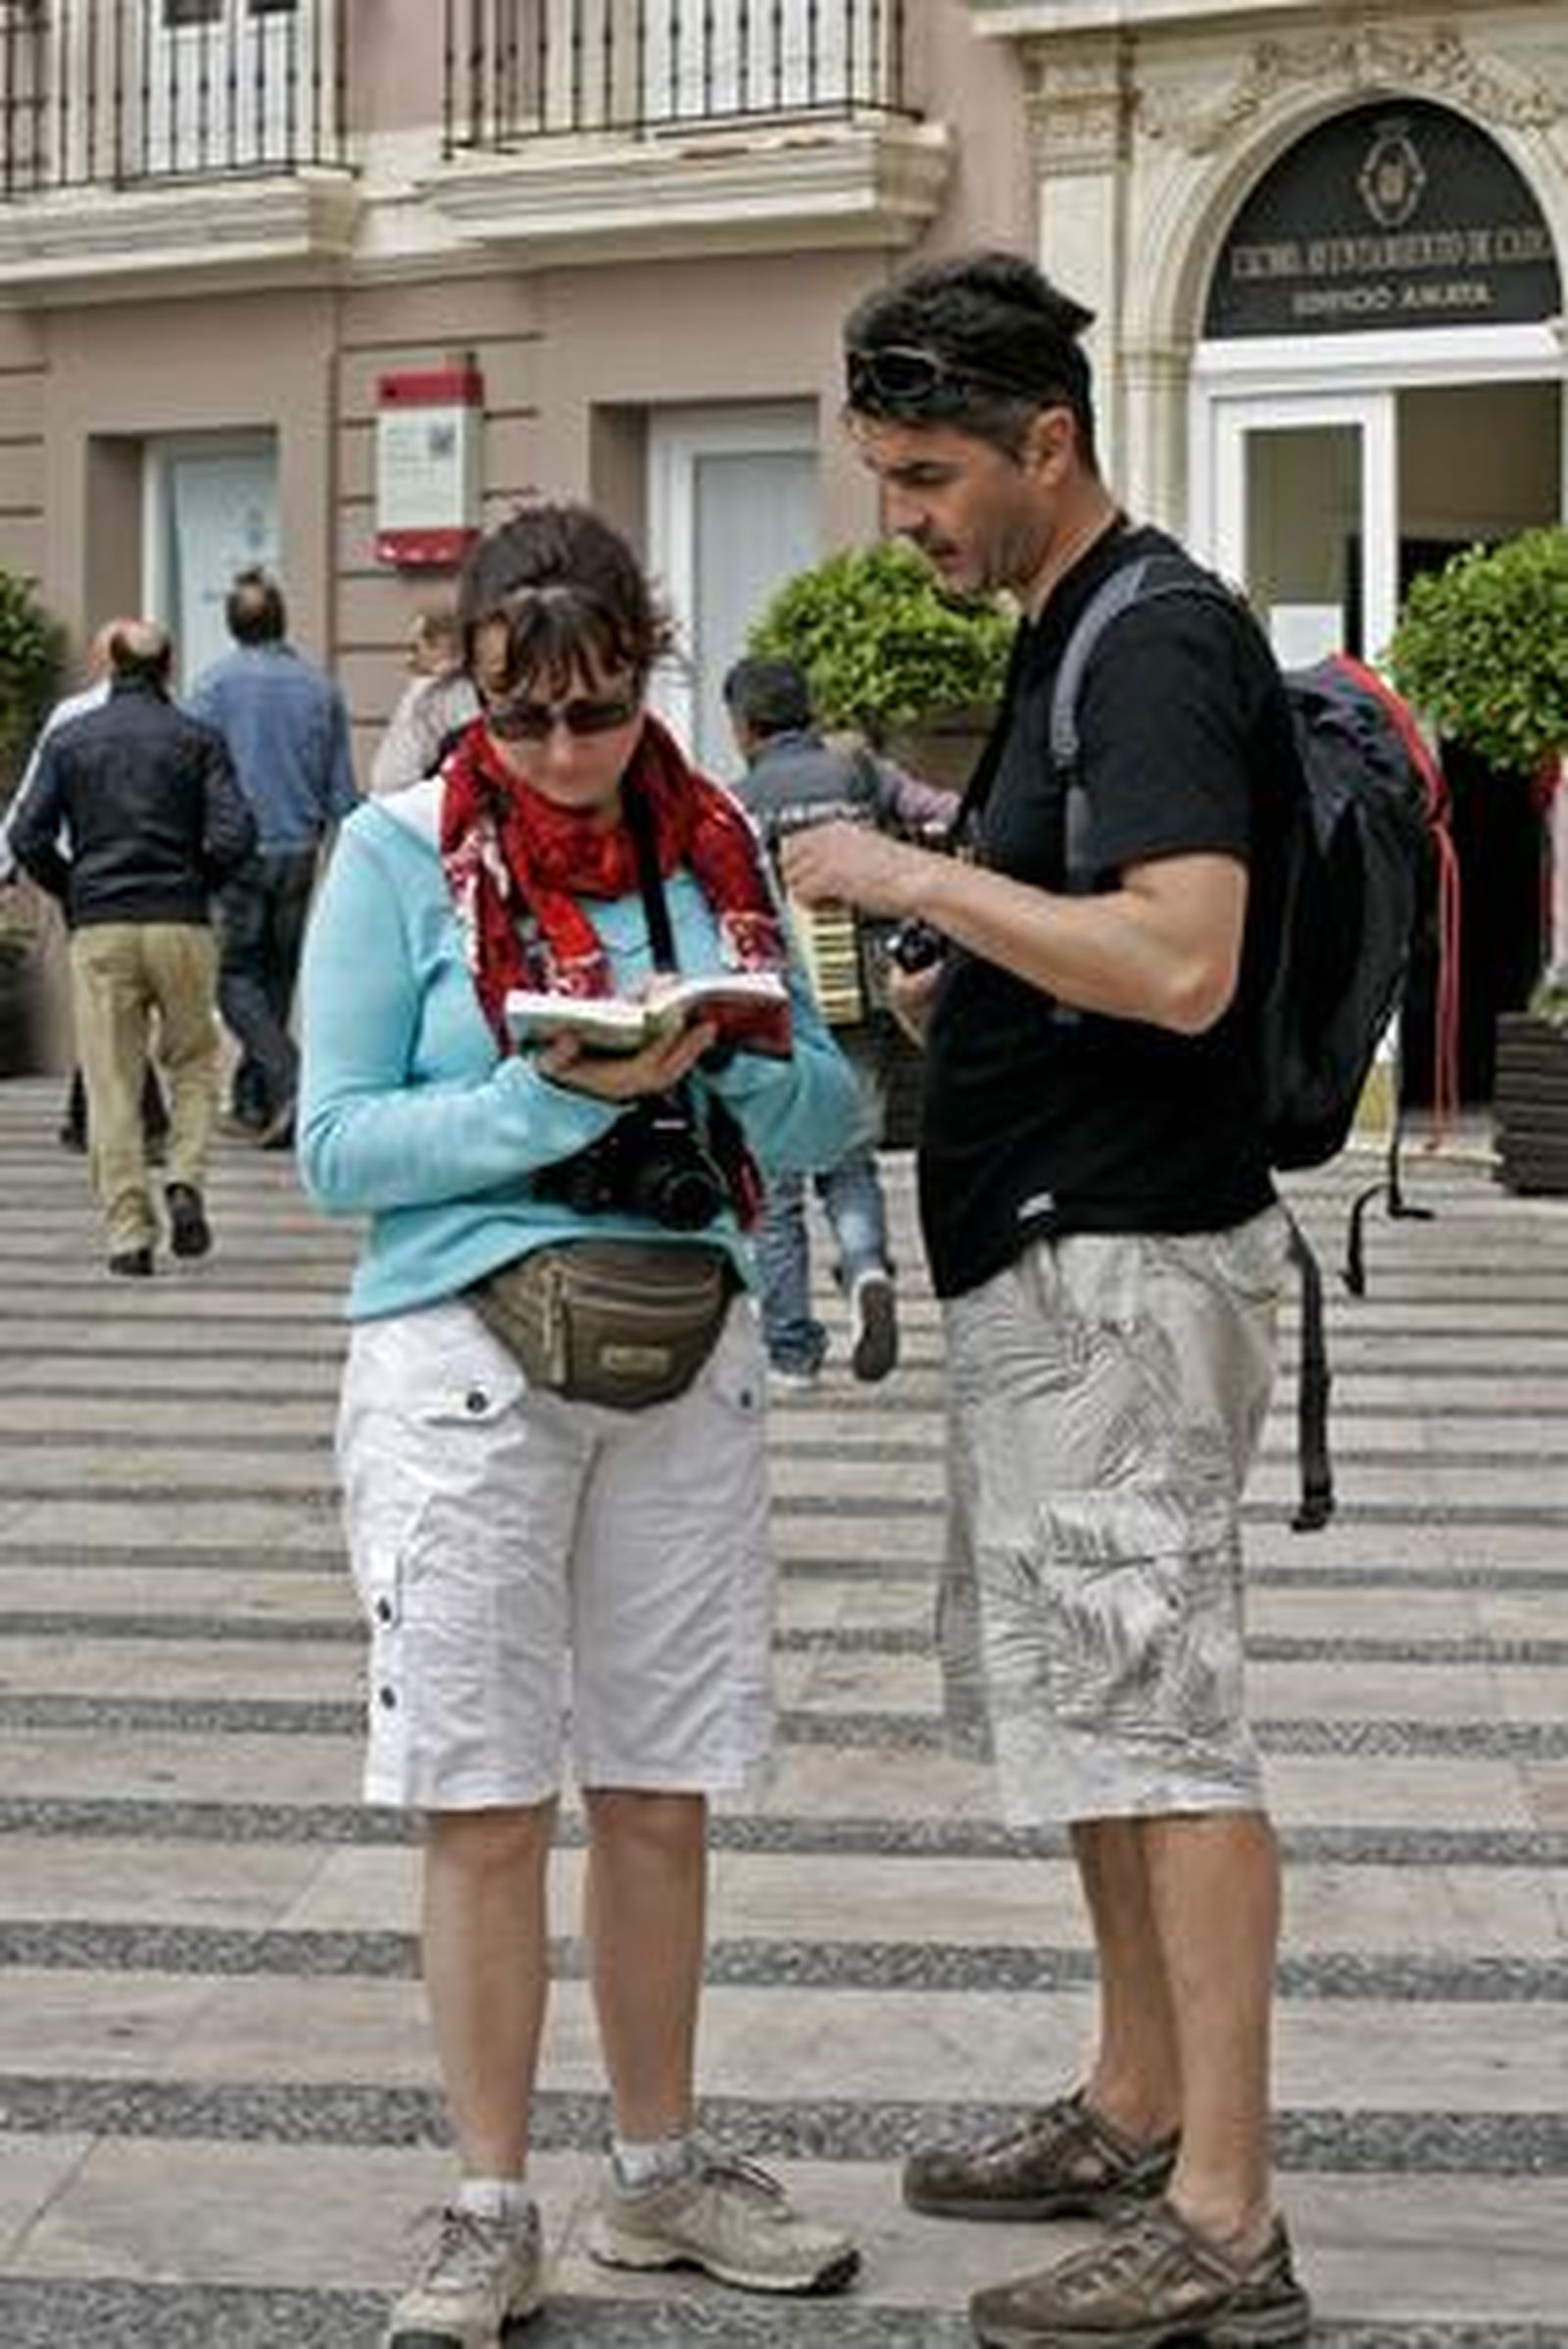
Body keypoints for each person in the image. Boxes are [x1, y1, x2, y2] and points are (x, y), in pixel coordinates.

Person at [781, 251, 1312, 2349]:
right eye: (882, 472)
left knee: (1163, 1726)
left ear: (1044, 444)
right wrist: (971, 959)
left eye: (924, 474)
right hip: (1046, 1254)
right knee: (1089, 1714)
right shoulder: (1061, 635)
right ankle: (1129, 2093)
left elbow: (1181, 954)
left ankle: (1224, 2217)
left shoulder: (1156, 635)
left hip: (1122, 1273)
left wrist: (912, 882)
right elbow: (1091, 931)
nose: (898, 513)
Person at [297, 502, 864, 2349]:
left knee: (659, 1787)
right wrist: (551, 1101)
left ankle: (660, 2165)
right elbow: (335, 1146)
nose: (557, 750)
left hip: (682, 1353)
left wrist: (735, 1064)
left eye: (595, 708)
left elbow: (837, 1109)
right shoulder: (393, 856)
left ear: (646, 675)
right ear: (466, 685)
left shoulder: (710, 855)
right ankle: (485, 2198)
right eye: (519, 713)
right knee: (477, 1789)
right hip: (465, 1358)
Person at [723, 654, 950, 1388]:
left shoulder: (736, 802)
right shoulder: (859, 771)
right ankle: (865, 1272)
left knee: (778, 1185)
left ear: (744, 725)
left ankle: (792, 1351)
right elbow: (942, 810)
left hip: (777, 1007)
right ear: (807, 712)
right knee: (849, 1158)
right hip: (864, 991)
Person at [10, 621, 256, 1275]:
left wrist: (73, 888)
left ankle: (128, 1235)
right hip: (180, 920)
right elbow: (238, 834)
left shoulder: (69, 740)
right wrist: (198, 881)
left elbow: (28, 832)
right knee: (195, 1062)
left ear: (108, 665)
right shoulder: (199, 740)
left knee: (111, 1081)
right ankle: (183, 1178)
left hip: (101, 926)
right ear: (168, 667)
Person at [187, 566, 359, 1147]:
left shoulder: (209, 688)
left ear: (232, 625)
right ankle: (256, 1104)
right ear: (281, 621)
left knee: (234, 981)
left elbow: (192, 779)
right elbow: (343, 793)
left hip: (236, 853)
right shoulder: (319, 687)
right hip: (299, 850)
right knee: (277, 978)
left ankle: (293, 1084)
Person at [0, 619, 172, 1155]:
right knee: (122, 995)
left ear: (105, 661)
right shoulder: (174, 716)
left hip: (87, 876)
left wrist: (23, 870)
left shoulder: (71, 717)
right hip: (154, 877)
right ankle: (129, 1116)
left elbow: (30, 805)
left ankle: (97, 1114)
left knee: (108, 994)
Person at [368, 607, 481, 796]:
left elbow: (467, 749)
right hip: (400, 801)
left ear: (442, 646)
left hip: (410, 801)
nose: (410, 660)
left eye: (416, 648)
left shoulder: (449, 693)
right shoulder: (430, 687)